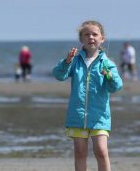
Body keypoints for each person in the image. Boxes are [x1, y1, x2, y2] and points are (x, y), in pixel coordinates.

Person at [53, 20, 123, 171]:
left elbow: (116, 86)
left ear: (102, 38)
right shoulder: (75, 61)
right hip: (77, 116)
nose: (91, 37)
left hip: (100, 116)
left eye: (95, 34)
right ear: (81, 39)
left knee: (101, 151)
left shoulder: (107, 63)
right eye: (87, 34)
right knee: (80, 152)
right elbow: (58, 75)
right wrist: (66, 61)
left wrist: (109, 75)